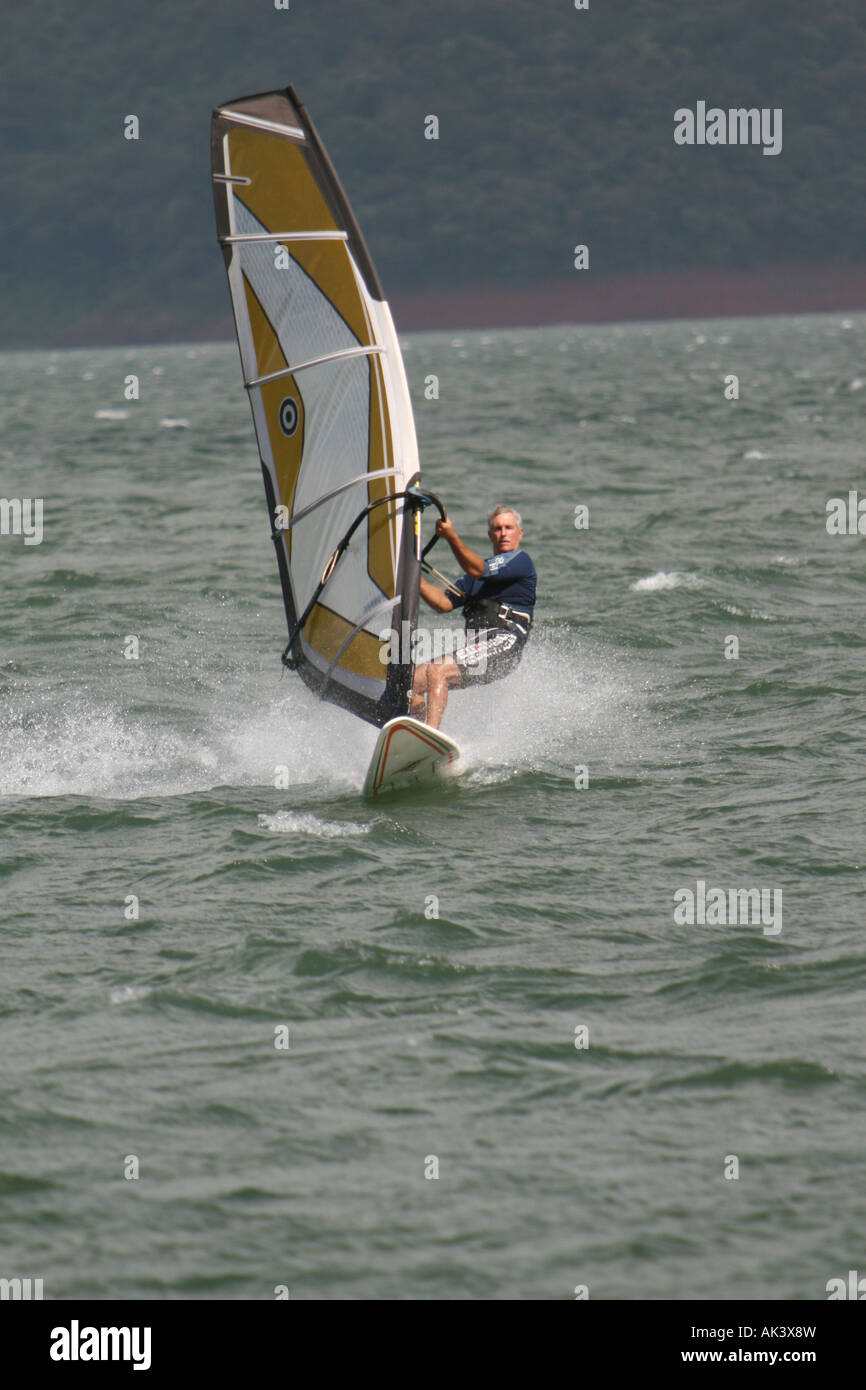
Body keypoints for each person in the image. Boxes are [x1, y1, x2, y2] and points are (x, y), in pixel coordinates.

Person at [411, 505, 536, 729]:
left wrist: (451, 537)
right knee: (413, 682)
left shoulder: (521, 561)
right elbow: (442, 602)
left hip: (505, 645)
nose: (503, 533)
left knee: (437, 670)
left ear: (520, 533)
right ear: (490, 535)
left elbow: (479, 569)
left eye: (509, 528)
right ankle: (415, 735)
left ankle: (429, 733)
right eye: (497, 529)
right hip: (478, 648)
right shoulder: (473, 580)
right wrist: (411, 575)